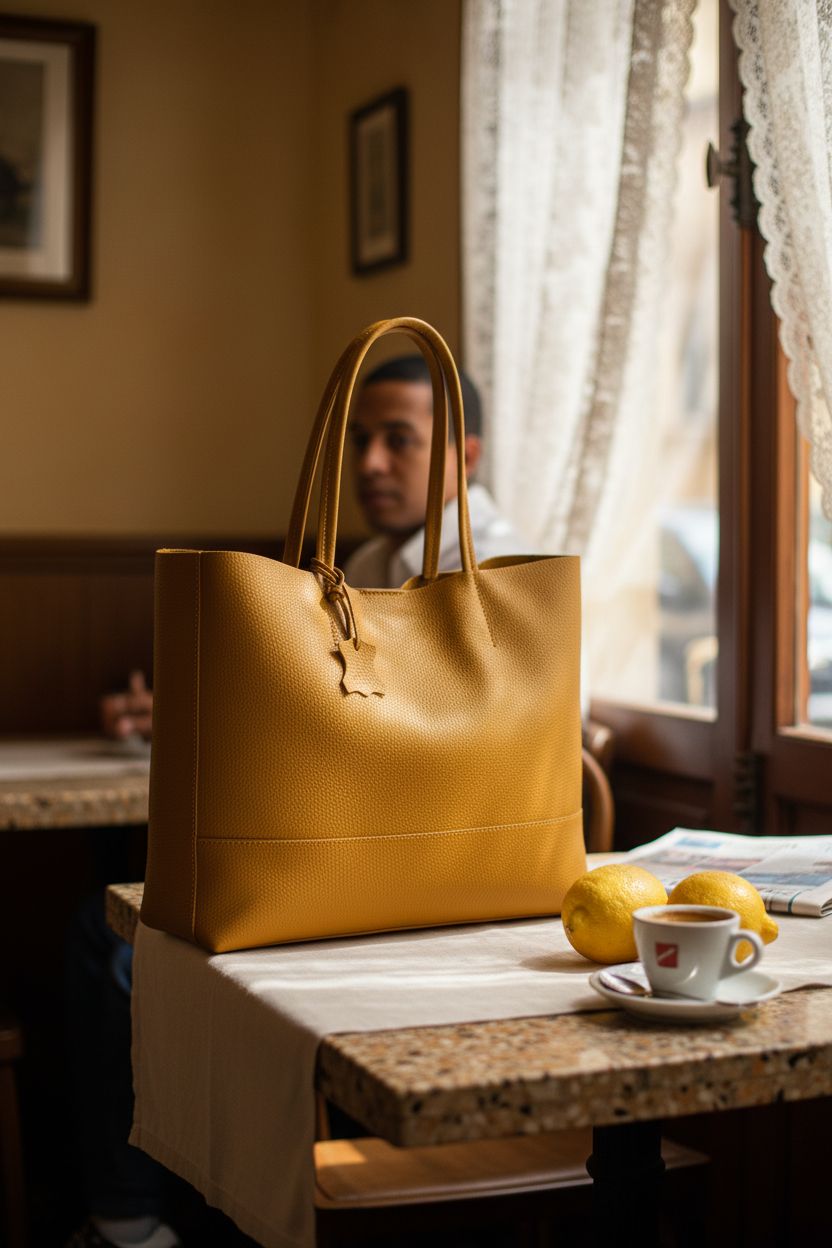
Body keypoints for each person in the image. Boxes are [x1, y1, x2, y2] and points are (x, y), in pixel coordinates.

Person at [65, 357, 528, 1248]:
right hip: (356, 851)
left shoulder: (493, 571)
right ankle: (161, 1205)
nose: (372, 464)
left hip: (417, 874)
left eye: (401, 440)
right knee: (121, 925)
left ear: (463, 457)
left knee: (116, 934)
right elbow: (325, 714)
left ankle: (135, 1217)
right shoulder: (361, 562)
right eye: (359, 440)